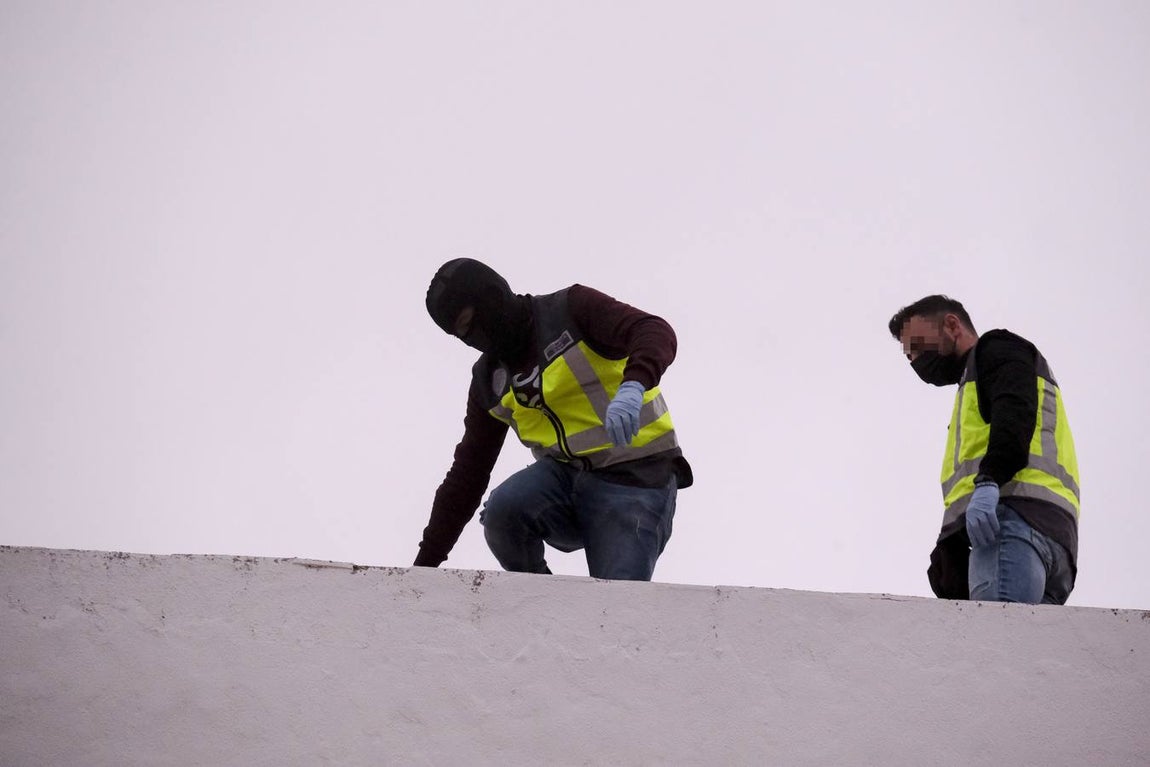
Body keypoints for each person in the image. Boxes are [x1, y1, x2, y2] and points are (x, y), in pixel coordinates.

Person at [414, 258, 692, 581]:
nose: (475, 337)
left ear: (493, 296)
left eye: (472, 321)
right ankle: (545, 599)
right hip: (566, 482)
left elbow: (654, 330)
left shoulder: (570, 311)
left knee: (618, 607)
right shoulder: (489, 381)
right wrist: (421, 571)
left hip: (636, 479)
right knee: (503, 513)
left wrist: (634, 384)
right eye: (463, 334)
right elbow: (466, 477)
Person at [888, 295, 1080, 603]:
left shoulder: (996, 349)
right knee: (1026, 648)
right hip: (1055, 538)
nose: (915, 360)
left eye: (918, 346)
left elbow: (1015, 413)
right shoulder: (976, 381)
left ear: (952, 325)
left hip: (1009, 522)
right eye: (910, 355)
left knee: (997, 644)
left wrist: (989, 481)